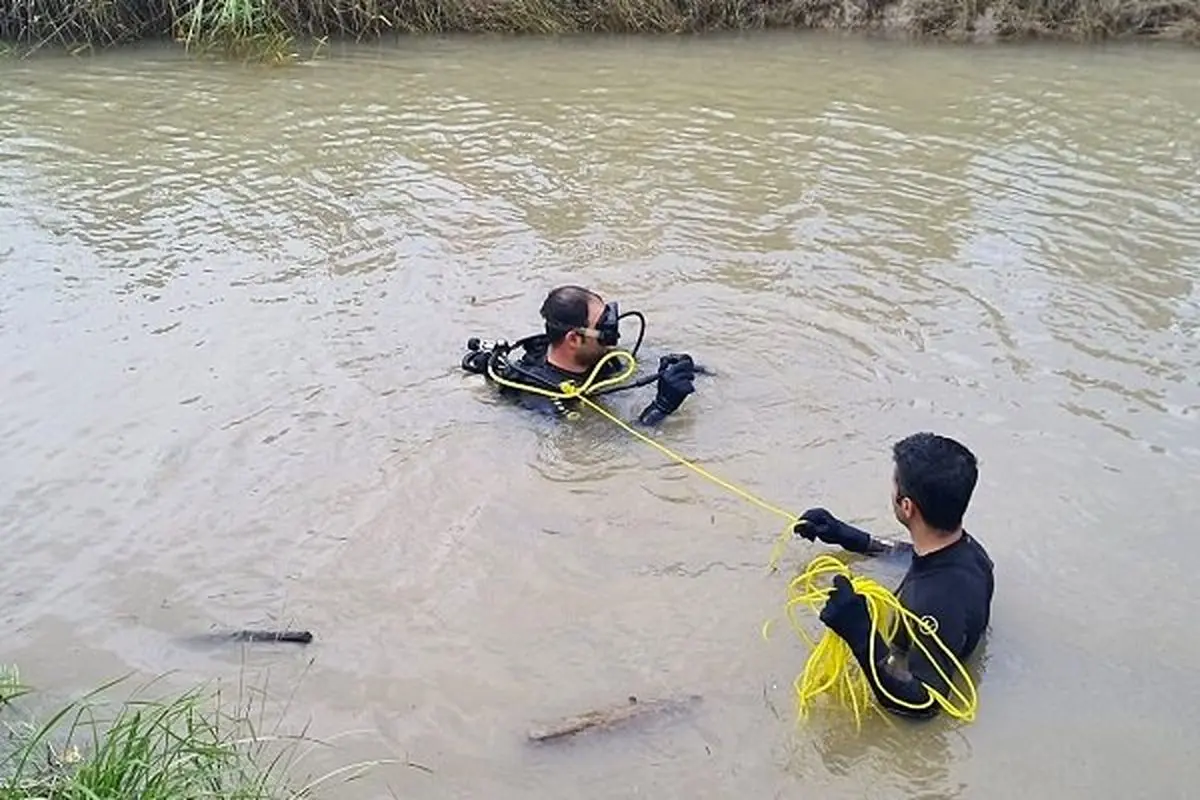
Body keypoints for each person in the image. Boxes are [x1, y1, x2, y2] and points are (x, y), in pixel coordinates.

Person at [794, 432, 994, 719]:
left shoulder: (933, 603)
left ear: (907, 506)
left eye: (894, 484)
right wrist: (849, 537)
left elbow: (925, 705)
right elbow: (913, 555)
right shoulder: (971, 552)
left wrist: (861, 635)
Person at [461, 285, 697, 425]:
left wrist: (681, 368)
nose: (612, 334)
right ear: (574, 339)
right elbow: (605, 447)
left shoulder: (602, 357)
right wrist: (661, 409)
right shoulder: (541, 398)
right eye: (604, 327)